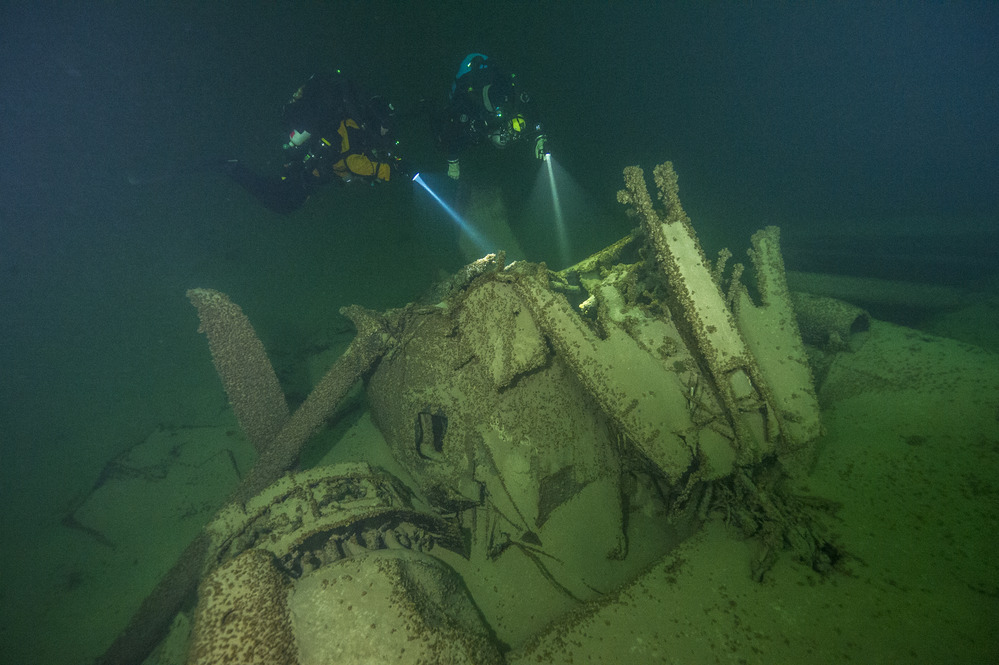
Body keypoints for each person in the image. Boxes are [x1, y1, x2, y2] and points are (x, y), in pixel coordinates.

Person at [222, 71, 410, 213]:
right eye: (386, 125)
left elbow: (347, 164)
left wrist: (369, 173)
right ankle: (231, 167)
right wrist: (389, 170)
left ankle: (232, 168)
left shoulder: (356, 128)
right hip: (306, 175)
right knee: (280, 202)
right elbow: (352, 161)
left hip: (307, 172)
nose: (387, 130)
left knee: (275, 197)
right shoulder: (355, 129)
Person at [434, 53, 548, 180]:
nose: (511, 134)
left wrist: (539, 136)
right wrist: (453, 161)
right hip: (468, 75)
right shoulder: (494, 103)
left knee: (451, 136)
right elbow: (529, 102)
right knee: (445, 128)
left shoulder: (490, 115)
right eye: (519, 125)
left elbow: (529, 102)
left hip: (482, 72)